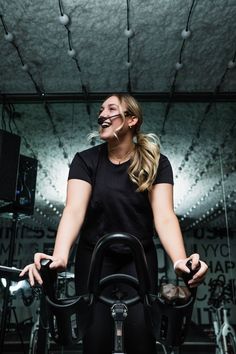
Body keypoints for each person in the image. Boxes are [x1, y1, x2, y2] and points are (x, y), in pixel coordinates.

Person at [20, 94, 208, 354]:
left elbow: (164, 215)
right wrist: (60, 256)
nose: (102, 115)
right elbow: (74, 210)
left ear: (131, 120)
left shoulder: (158, 163)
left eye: (111, 109)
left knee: (141, 337)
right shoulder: (85, 161)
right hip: (94, 256)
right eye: (101, 110)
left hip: (138, 257)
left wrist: (179, 261)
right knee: (95, 337)